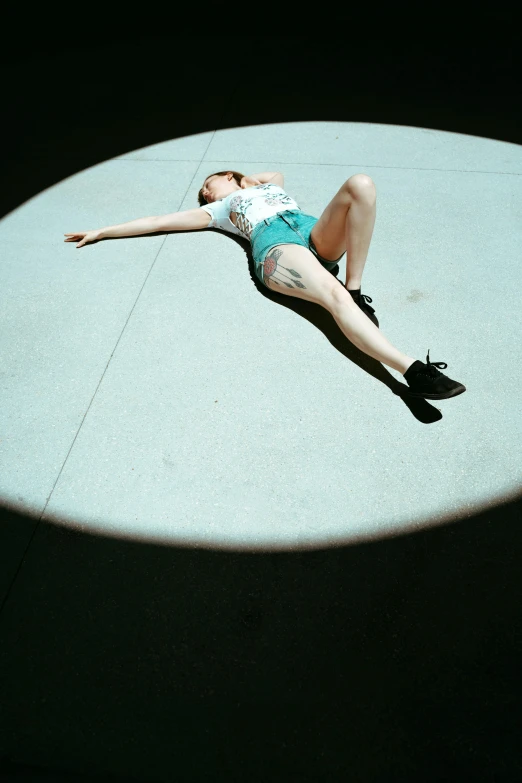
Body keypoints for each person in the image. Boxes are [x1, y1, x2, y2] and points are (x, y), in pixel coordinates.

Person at [65, 169, 466, 400]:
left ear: (229, 176)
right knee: (332, 297)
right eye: (205, 191)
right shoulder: (217, 210)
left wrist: (244, 180)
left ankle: (356, 288)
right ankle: (412, 372)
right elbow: (156, 222)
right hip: (274, 246)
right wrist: (103, 231)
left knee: (360, 183)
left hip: (311, 230)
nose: (206, 190)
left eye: (211, 183)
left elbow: (271, 174)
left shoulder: (266, 185)